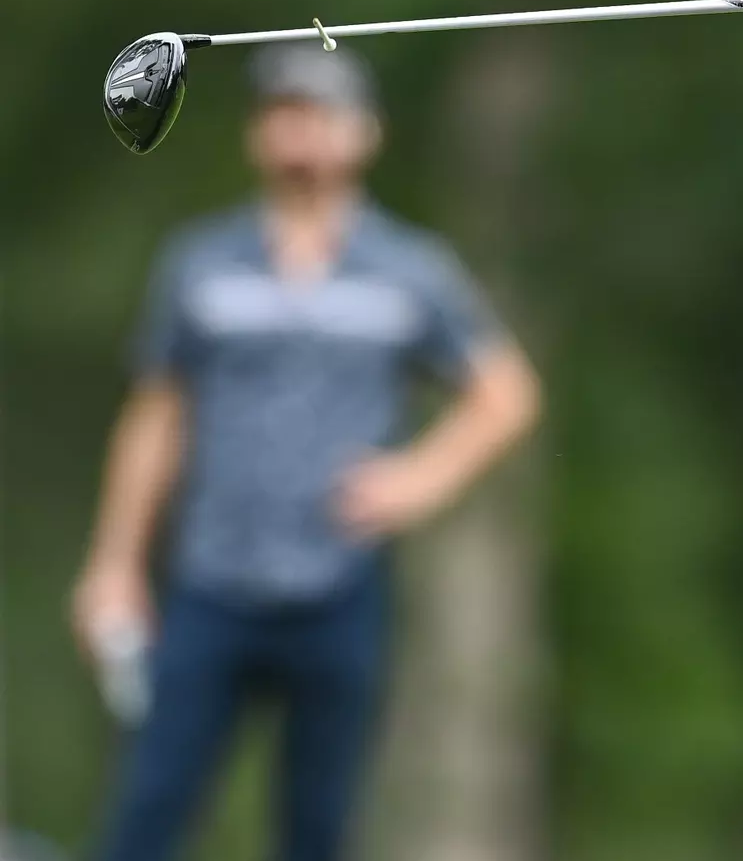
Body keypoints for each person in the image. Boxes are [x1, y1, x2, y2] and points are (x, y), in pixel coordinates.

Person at [68, 44, 542, 861]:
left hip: (338, 590)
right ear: (258, 135)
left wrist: (420, 480)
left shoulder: (409, 270)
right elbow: (155, 418)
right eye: (282, 115)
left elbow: (506, 394)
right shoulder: (201, 263)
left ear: (365, 134)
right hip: (209, 584)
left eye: (319, 114)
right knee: (145, 816)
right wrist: (113, 565)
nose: (300, 133)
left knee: (318, 832)